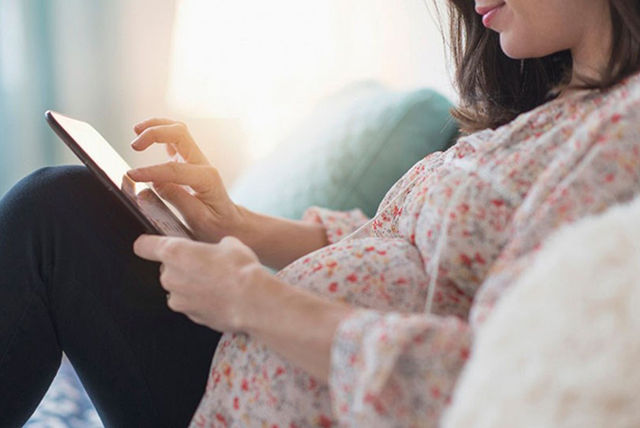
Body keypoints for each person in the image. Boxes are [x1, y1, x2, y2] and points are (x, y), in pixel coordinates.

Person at [1, 0, 639, 426]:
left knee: (52, 216)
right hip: (254, 374)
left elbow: (504, 384)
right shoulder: (547, 113)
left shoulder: (623, 134)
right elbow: (402, 246)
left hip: (283, 399)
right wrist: (236, 225)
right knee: (60, 207)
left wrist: (255, 301)